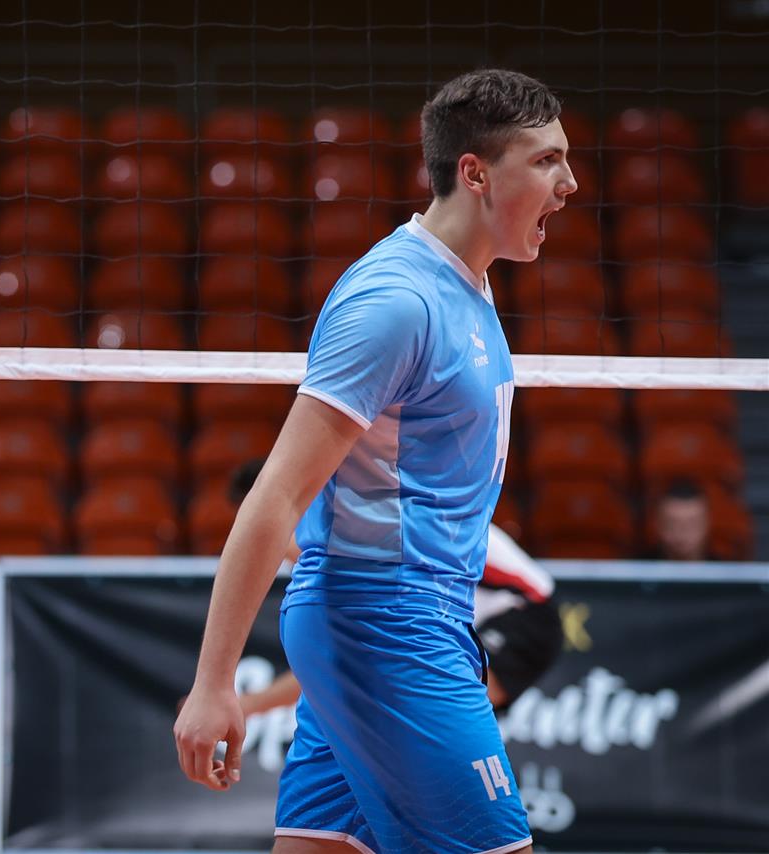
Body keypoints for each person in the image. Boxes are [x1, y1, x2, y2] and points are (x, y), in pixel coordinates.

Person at [174, 68, 577, 854]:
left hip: (414, 615)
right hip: (388, 623)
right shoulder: (395, 301)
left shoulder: (469, 284)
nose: (569, 184)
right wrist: (214, 683)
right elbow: (275, 495)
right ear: (475, 174)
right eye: (546, 161)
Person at [226, 460, 562, 716]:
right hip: (477, 619)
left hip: (526, 613)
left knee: (434, 715)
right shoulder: (340, 546)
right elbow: (335, 661)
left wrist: (248, 705)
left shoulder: (359, 528)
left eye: (259, 530)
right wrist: (248, 705)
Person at [648, 479, 715, 561]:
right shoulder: (638, 566)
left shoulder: (725, 566)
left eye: (692, 524)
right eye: (672, 524)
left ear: (707, 523)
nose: (682, 532)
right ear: (657, 524)